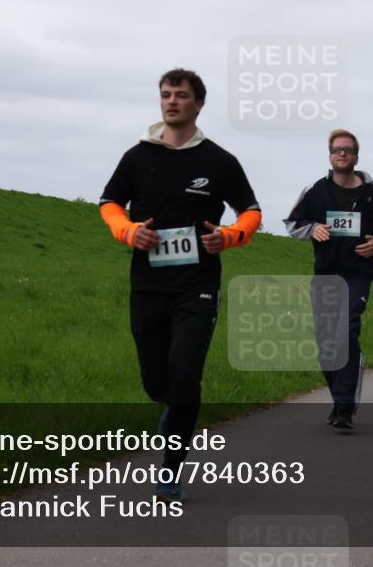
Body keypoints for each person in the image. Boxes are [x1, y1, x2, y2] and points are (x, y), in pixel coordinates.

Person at [99, 69, 261, 502]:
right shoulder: (137, 156)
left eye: (181, 95)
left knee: (186, 376)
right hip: (148, 284)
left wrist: (228, 236)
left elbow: (251, 211)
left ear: (198, 104)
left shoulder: (218, 161)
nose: (171, 101)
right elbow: (109, 203)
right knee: (157, 382)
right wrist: (128, 231)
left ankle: (170, 471)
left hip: (198, 285)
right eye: (166, 95)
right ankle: (171, 410)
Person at [284, 129, 373, 429]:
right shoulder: (315, 189)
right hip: (326, 273)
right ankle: (338, 400)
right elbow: (293, 223)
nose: (342, 153)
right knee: (326, 344)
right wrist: (313, 229)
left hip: (358, 272)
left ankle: (345, 406)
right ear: (330, 156)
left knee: (346, 327)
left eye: (347, 150)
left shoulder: (372, 192)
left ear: (356, 156)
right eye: (336, 150)